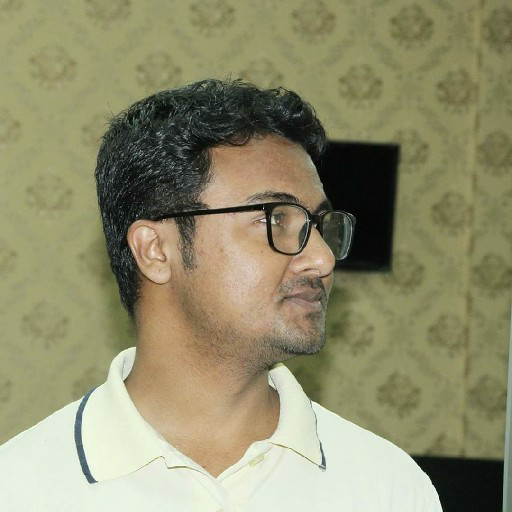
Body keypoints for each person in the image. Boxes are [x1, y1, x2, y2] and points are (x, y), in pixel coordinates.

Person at [0, 79, 442, 510]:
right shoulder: (21, 488)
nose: (323, 258)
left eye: (318, 224)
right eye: (274, 219)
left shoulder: (388, 487)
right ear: (155, 250)